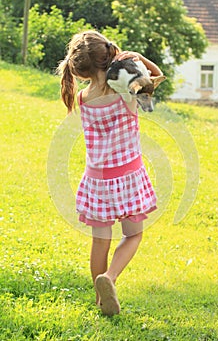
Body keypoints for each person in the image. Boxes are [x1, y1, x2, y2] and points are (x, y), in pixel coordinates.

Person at [57, 30, 164, 316]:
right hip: (127, 176)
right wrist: (138, 59)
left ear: (81, 69)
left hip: (96, 180)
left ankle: (100, 298)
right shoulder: (126, 90)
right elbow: (157, 77)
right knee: (132, 236)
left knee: (99, 242)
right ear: (107, 55)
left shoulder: (81, 97)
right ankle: (111, 278)